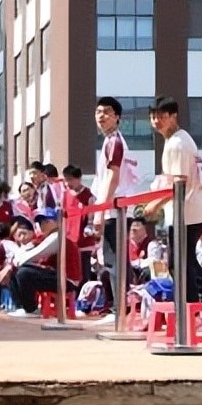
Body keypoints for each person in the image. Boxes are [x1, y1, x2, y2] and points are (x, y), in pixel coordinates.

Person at [143, 97, 202, 303]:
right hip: (191, 211)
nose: (157, 121)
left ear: (174, 116)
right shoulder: (178, 140)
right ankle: (200, 297)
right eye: (153, 116)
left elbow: (179, 182)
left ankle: (192, 305)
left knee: (179, 262)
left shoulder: (177, 143)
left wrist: (155, 205)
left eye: (162, 116)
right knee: (185, 260)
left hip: (187, 213)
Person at [91, 96, 141, 320]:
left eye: (107, 112)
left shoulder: (114, 142)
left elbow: (112, 178)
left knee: (115, 260)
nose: (101, 116)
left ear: (117, 117)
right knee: (116, 259)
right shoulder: (110, 141)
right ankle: (121, 307)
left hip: (116, 208)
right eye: (98, 112)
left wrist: (100, 212)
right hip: (116, 207)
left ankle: (120, 309)